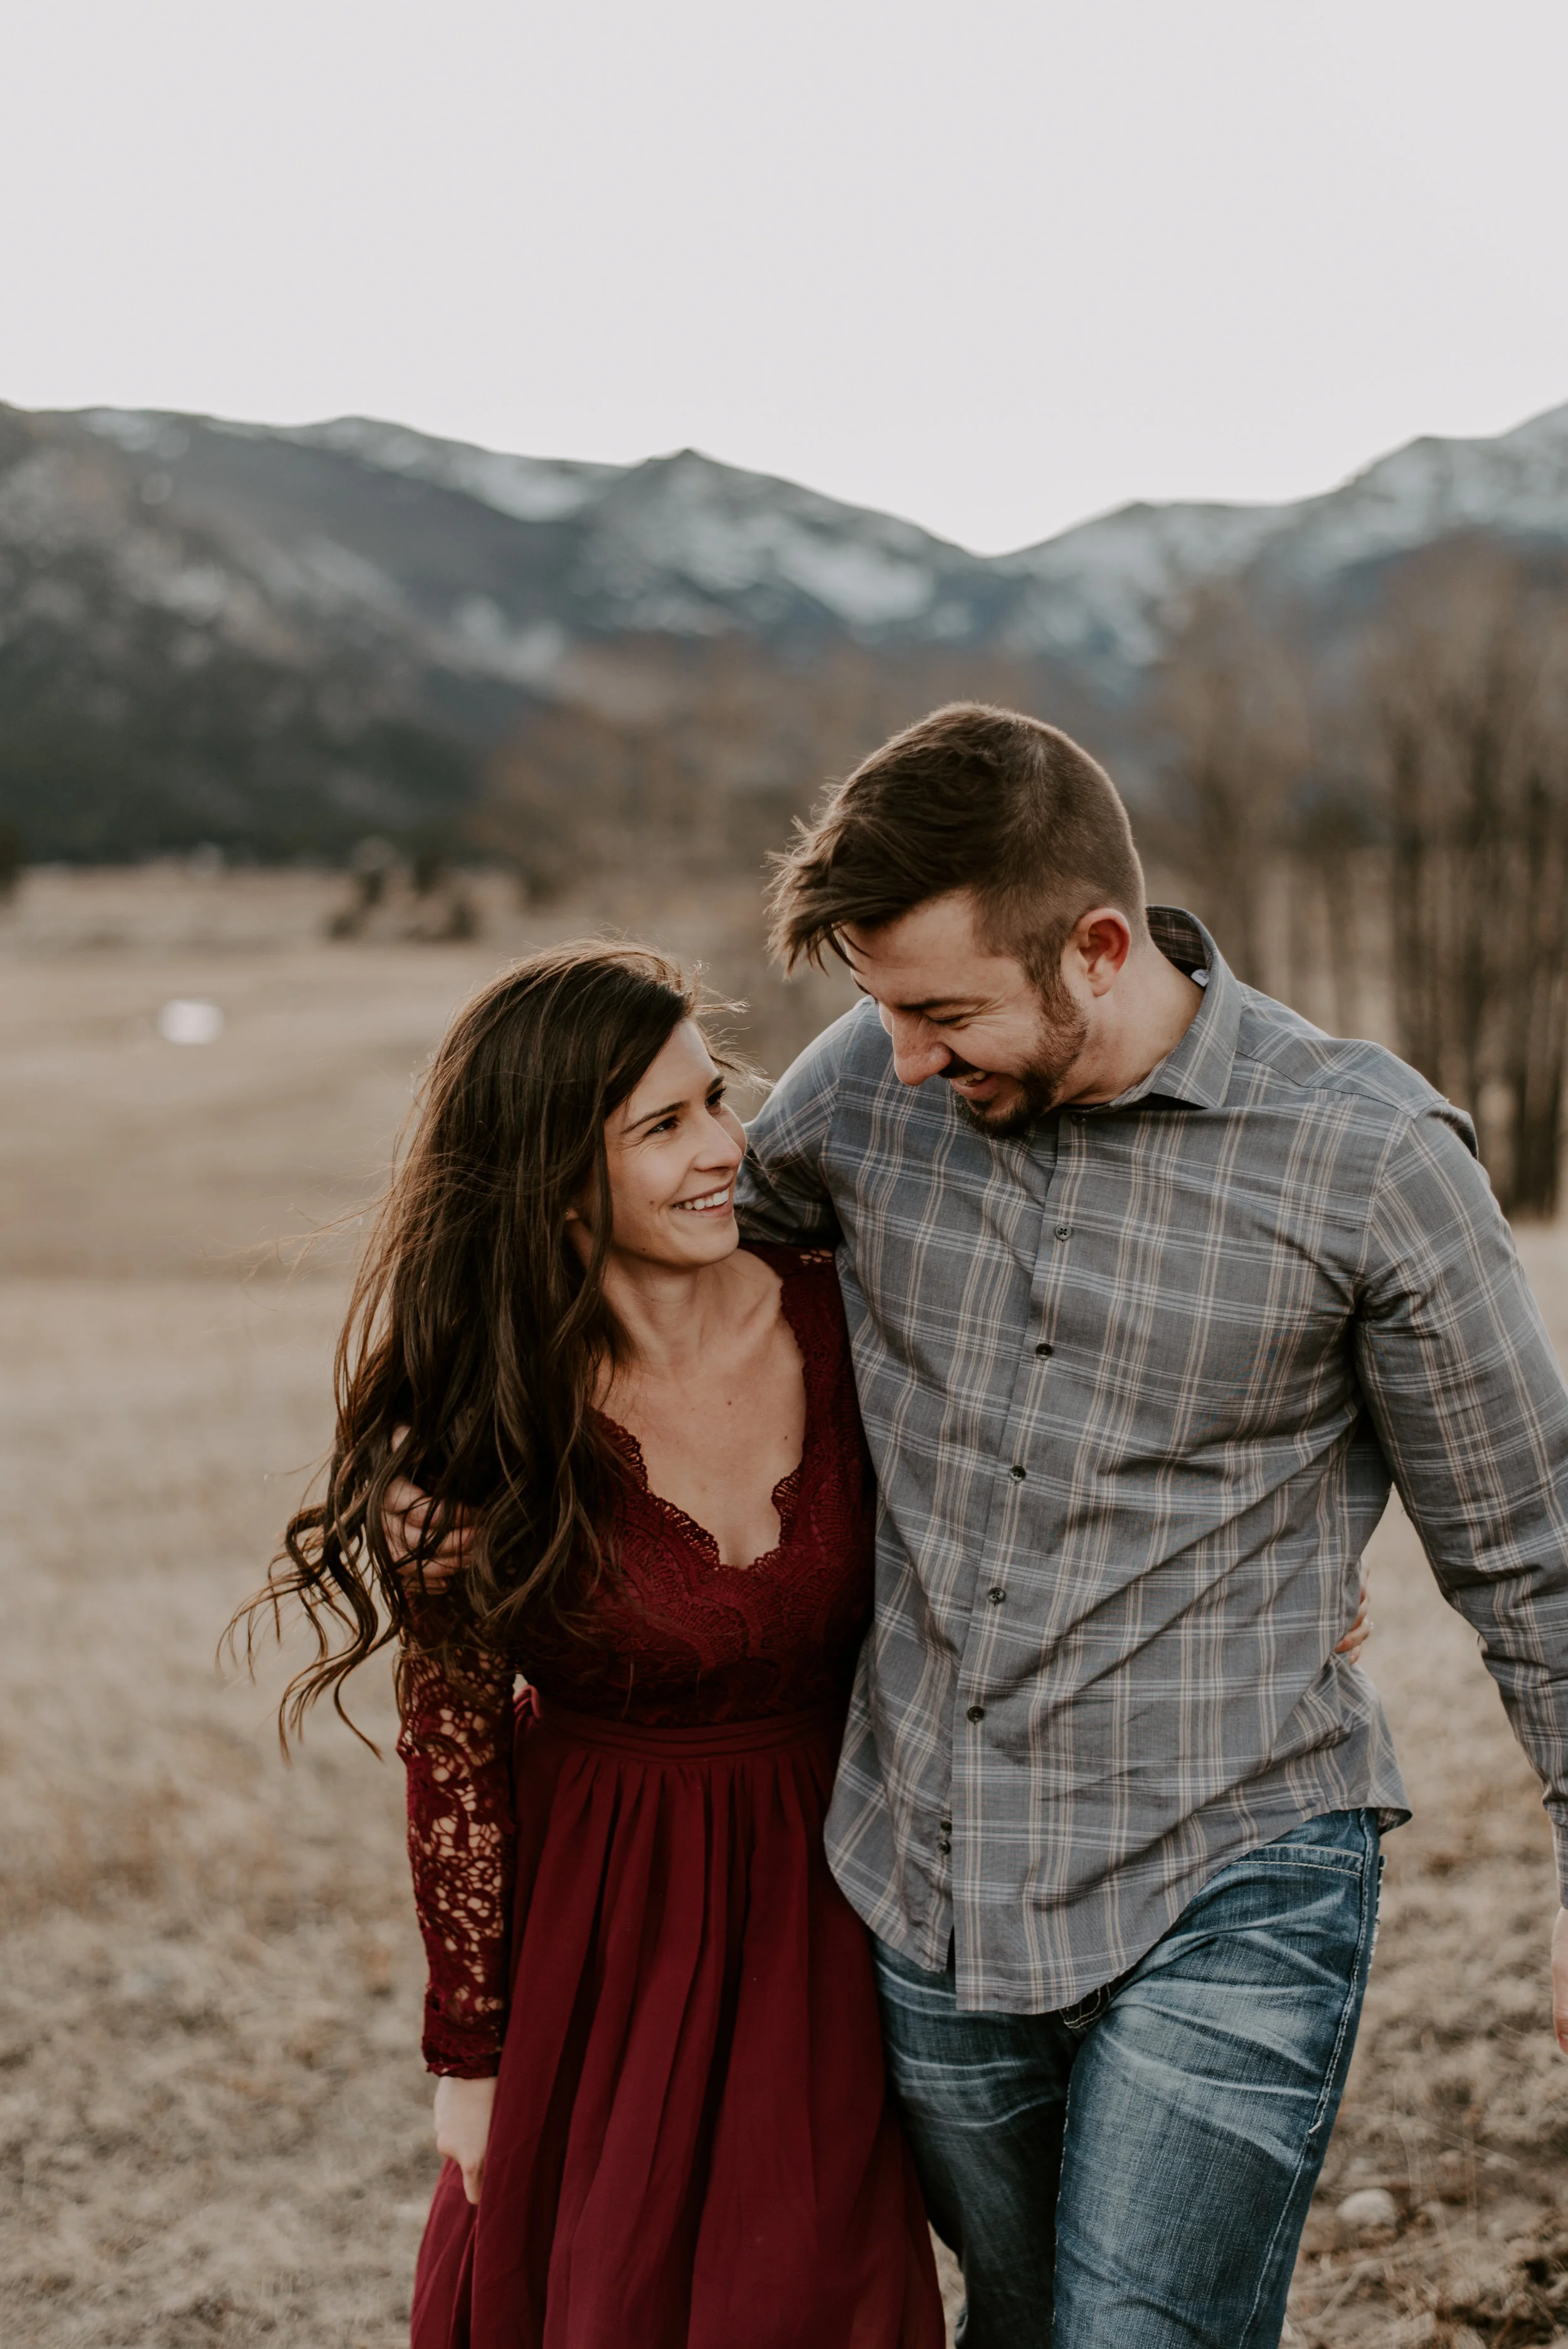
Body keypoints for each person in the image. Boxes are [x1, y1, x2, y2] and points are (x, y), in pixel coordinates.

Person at [724, 701, 1568, 2348]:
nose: (900, 1059)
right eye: (881, 1011)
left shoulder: (1366, 1159)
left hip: (1233, 1867)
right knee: (1024, 2320)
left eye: (946, 1013)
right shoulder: (859, 1088)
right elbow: (688, 1296)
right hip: (927, 1877)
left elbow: (1533, 1553)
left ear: (1095, 949)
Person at [246, 943, 945, 2349]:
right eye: (664, 1126)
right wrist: (475, 2058)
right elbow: (450, 1755)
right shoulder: (482, 1426)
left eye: (717, 1101)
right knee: (598, 2293)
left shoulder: (846, 1308)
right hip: (605, 1917)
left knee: (813, 2290)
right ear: (556, 1180)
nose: (726, 1151)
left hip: (839, 1884)